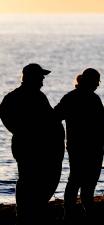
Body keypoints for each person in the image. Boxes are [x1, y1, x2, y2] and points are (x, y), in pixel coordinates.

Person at [0, 63, 65, 225]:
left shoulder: (29, 96)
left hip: (33, 146)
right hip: (32, 147)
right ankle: (27, 213)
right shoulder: (26, 97)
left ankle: (28, 211)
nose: (43, 79)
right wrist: (26, 133)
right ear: (32, 77)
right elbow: (8, 118)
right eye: (41, 76)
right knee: (31, 179)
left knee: (32, 179)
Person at [54, 68, 104, 224]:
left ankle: (72, 212)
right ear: (90, 81)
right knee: (83, 181)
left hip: (78, 146)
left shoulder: (70, 97)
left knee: (76, 179)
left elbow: (55, 116)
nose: (98, 84)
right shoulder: (93, 99)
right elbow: (100, 129)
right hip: (90, 148)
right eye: (96, 81)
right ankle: (78, 211)